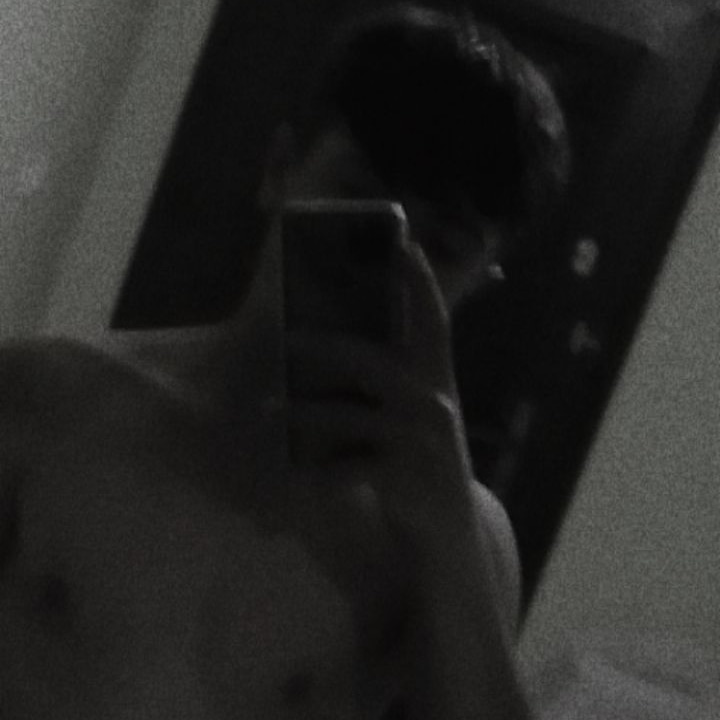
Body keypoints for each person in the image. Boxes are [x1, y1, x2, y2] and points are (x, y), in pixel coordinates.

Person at [0, 4, 568, 719]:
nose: (392, 263)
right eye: (355, 200)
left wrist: (446, 534)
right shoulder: (46, 400)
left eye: (445, 246)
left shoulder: (456, 539)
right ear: (279, 170)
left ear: (480, 282)